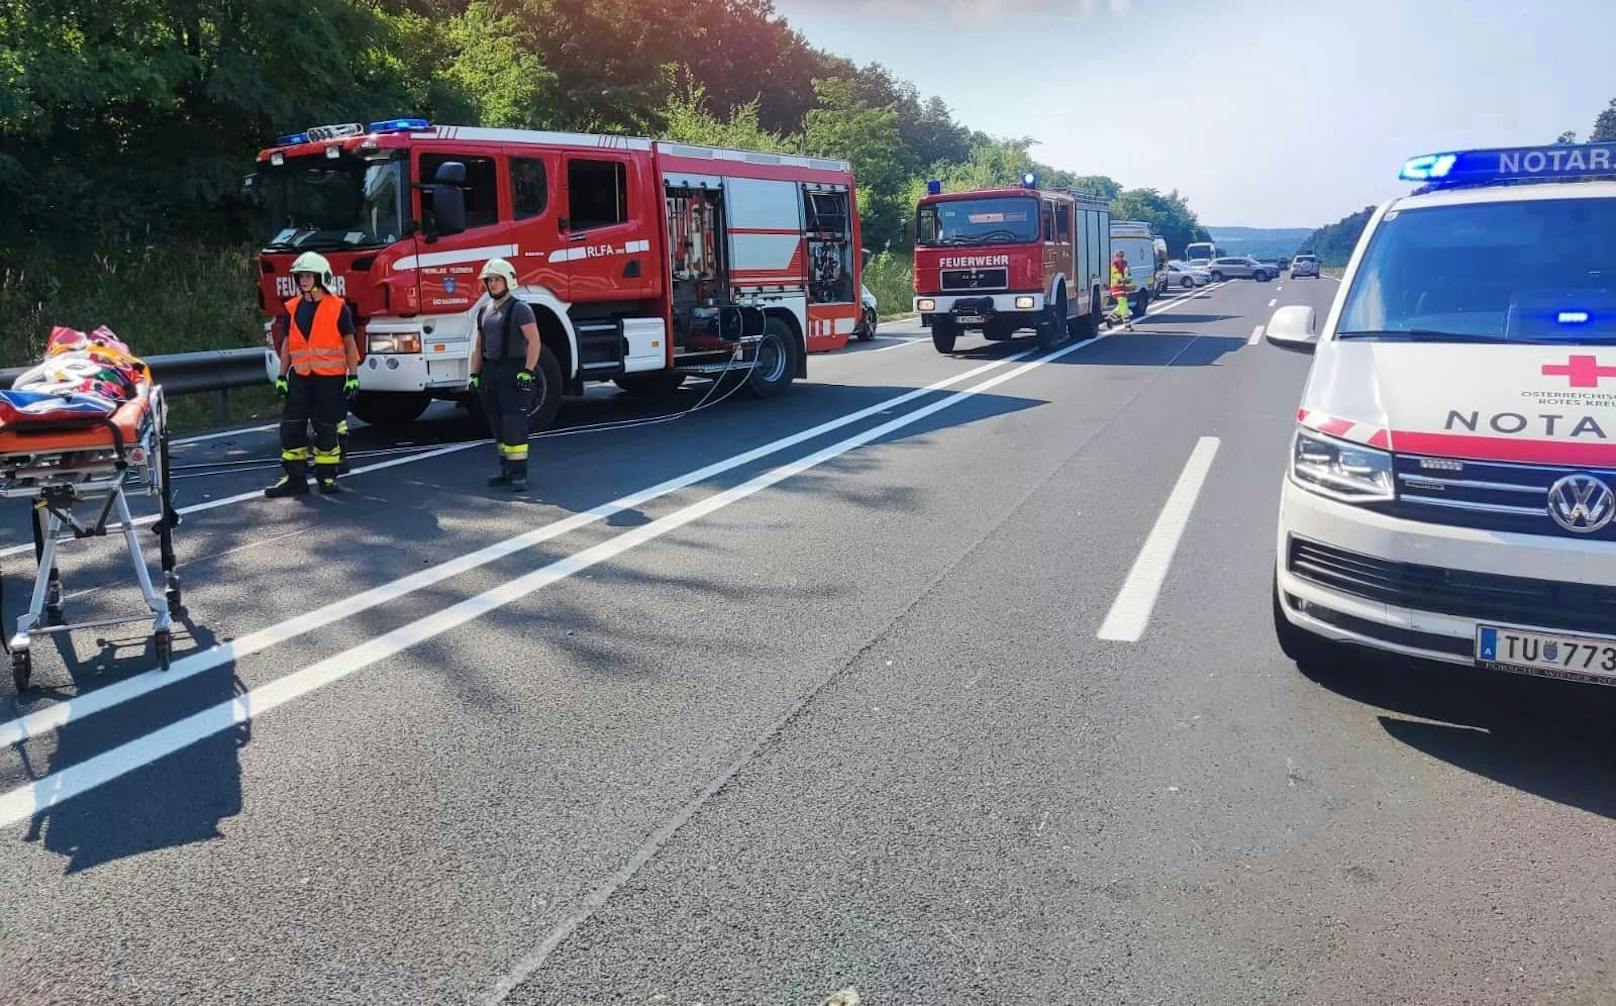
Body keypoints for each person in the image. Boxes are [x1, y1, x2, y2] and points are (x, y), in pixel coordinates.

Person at [265, 252, 360, 497]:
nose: (304, 280)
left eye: (308, 276)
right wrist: (282, 375)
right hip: (301, 377)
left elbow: (350, 344)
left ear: (320, 277)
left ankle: (326, 477)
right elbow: (287, 344)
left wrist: (353, 375)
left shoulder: (338, 308)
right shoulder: (293, 307)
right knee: (291, 426)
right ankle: (295, 478)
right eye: (300, 276)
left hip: (330, 378)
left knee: (327, 427)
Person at [468, 258, 541, 493]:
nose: (492, 284)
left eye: (496, 280)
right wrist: (474, 374)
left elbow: (534, 342)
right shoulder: (484, 312)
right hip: (491, 372)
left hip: (513, 370)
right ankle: (505, 470)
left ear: (508, 280)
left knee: (514, 423)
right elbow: (478, 347)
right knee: (497, 422)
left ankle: (519, 474)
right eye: (489, 280)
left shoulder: (520, 309)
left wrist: (528, 371)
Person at [1110, 249, 1136, 332]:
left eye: (1122, 256)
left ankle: (1110, 318)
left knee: (1121, 306)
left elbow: (1129, 275)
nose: (1120, 257)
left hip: (1123, 288)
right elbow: (1116, 275)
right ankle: (1127, 325)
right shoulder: (1114, 265)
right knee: (1124, 306)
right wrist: (1123, 280)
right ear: (1115, 256)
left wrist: (1129, 281)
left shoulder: (1125, 264)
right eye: (1119, 256)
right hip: (1116, 288)